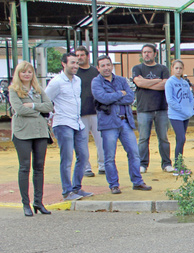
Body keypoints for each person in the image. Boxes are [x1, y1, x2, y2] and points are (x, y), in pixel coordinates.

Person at [92, 55, 152, 194]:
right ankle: (113, 184)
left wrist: (112, 97)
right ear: (98, 68)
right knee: (109, 157)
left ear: (112, 65)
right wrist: (120, 94)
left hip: (125, 121)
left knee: (134, 153)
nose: (106, 68)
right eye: (103, 65)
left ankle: (137, 181)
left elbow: (130, 97)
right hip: (108, 123)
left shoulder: (121, 79)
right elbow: (101, 98)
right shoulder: (96, 82)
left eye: (108, 64)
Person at [45, 52, 92, 201]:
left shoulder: (77, 80)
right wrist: (50, 116)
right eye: (72, 63)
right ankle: (67, 191)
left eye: (77, 63)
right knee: (67, 159)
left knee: (83, 156)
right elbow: (46, 101)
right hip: (63, 123)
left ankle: (76, 188)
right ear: (63, 64)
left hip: (77, 123)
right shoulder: (56, 82)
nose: (75, 66)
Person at [9, 61, 54, 216]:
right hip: (22, 132)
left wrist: (33, 106)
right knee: (24, 166)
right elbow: (19, 109)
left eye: (29, 72)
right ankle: (25, 203)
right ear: (18, 74)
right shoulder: (14, 90)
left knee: (39, 167)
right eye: (23, 72)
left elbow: (49, 106)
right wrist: (38, 109)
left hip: (40, 131)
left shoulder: (38, 89)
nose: (26, 74)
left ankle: (38, 202)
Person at [132, 43, 172, 173]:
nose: (146, 54)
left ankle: (166, 164)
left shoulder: (163, 68)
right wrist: (157, 81)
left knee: (163, 138)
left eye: (149, 52)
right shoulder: (137, 68)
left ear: (155, 54)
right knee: (143, 138)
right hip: (144, 109)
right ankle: (142, 164)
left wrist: (146, 84)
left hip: (161, 108)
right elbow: (139, 82)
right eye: (144, 52)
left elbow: (165, 85)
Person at [74, 45, 104, 177]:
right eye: (77, 55)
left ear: (87, 56)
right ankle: (86, 167)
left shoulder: (96, 72)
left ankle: (103, 165)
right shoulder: (74, 73)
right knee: (82, 142)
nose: (79, 58)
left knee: (101, 141)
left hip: (97, 112)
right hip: (80, 113)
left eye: (82, 55)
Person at [165, 59, 194, 174]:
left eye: (180, 68)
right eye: (176, 68)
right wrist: (182, 110)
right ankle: (177, 166)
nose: (178, 70)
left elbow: (190, 97)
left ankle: (180, 164)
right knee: (181, 138)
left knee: (181, 140)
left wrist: (190, 109)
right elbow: (170, 100)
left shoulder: (184, 82)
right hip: (176, 115)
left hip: (186, 115)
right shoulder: (170, 82)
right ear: (172, 68)